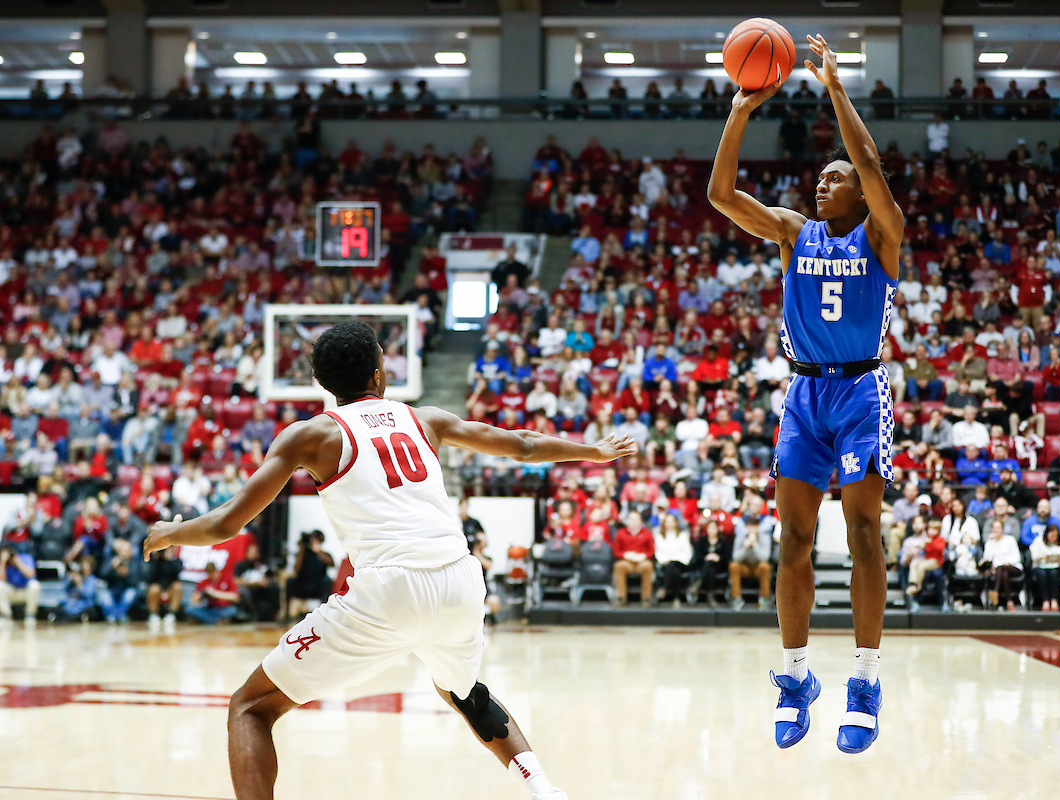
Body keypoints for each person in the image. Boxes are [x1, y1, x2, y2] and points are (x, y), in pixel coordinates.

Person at [142, 321, 637, 800]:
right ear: (379, 374)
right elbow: (522, 445)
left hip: (389, 587)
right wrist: (593, 451)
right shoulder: (424, 418)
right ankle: (544, 789)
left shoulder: (311, 435)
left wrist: (170, 533)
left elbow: (227, 524)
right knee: (462, 690)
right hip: (462, 578)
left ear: (321, 382)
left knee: (249, 707)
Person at [707, 34, 900, 753]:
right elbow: (721, 195)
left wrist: (836, 90)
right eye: (818, 178)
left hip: (859, 393)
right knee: (793, 540)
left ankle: (866, 682)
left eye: (835, 178)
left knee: (860, 537)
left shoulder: (883, 237)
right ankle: (795, 679)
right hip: (802, 398)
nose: (822, 184)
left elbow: (872, 162)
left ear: (860, 191)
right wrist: (740, 111)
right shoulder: (794, 232)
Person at [0, 543, 40, 627]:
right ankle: (5, 615)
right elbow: (2, 580)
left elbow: (31, 574)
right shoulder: (3, 563)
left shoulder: (26, 558)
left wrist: (17, 562)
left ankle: (30, 615)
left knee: (35, 585)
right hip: (12, 591)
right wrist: (3, 562)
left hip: (25, 591)